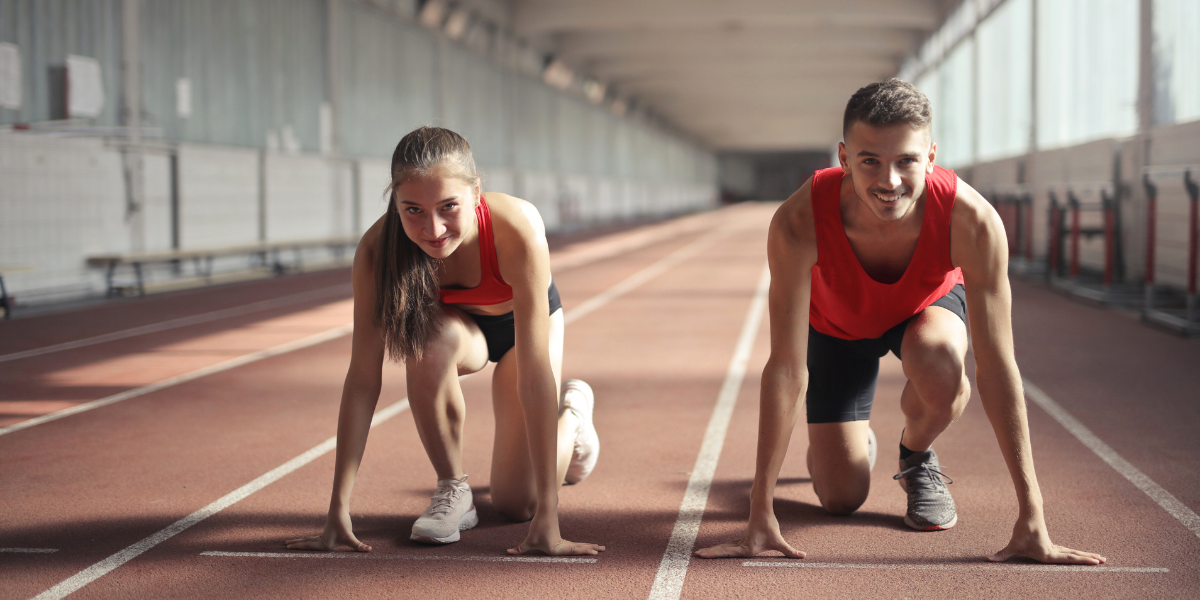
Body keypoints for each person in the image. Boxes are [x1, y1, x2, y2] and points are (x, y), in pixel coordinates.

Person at [696, 79, 1105, 565]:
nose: (889, 181)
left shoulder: (972, 221)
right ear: (844, 158)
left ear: (931, 156)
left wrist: (1032, 514)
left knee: (943, 367)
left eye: (906, 161)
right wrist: (758, 511)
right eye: (871, 160)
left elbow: (997, 368)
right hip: (835, 328)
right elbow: (785, 367)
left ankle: (915, 455)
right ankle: (846, 444)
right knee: (840, 498)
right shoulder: (798, 221)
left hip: (922, 312)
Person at [286, 126, 604, 556]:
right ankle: (453, 490)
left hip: (523, 328)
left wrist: (550, 517)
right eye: (412, 209)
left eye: (448, 207)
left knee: (517, 505)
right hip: (458, 331)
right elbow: (363, 380)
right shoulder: (378, 251)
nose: (432, 229)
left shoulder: (517, 228)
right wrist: (337, 510)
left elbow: (533, 378)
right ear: (394, 201)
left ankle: (574, 416)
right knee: (426, 342)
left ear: (476, 193)